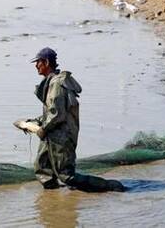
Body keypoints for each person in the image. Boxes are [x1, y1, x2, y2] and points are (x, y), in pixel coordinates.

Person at [29, 47, 125, 192]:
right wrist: (35, 121)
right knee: (42, 168)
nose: (36, 66)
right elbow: (52, 112)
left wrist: (43, 128)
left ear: (46, 62)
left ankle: (110, 186)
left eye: (38, 62)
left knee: (67, 176)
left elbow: (57, 114)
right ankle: (51, 203)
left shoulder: (56, 84)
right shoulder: (51, 82)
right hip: (50, 135)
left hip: (60, 137)